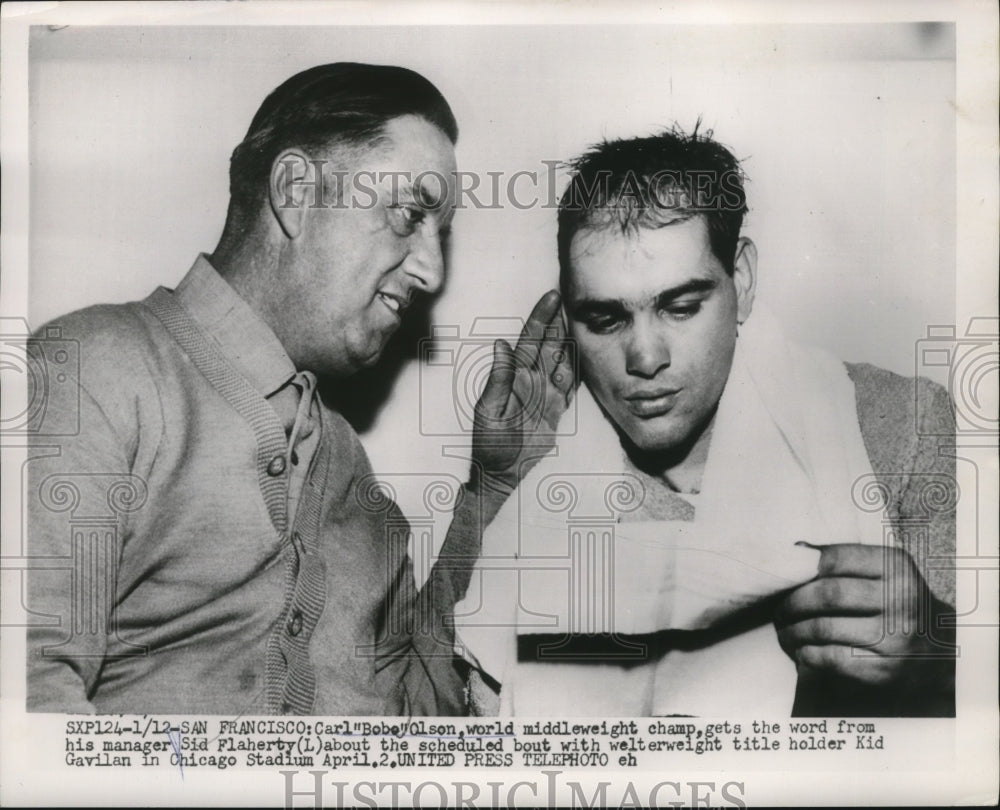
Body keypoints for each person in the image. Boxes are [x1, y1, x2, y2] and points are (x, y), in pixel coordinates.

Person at [26, 62, 573, 715]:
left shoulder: (348, 467)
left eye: (442, 234)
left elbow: (424, 715)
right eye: (409, 214)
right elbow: (27, 695)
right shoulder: (95, 370)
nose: (432, 269)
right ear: (294, 192)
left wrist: (491, 490)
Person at [456, 125, 957, 717]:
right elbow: (425, 724)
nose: (645, 359)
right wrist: (488, 491)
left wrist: (938, 654)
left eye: (681, 307)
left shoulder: (896, 425)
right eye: (605, 319)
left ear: (740, 281)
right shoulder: (535, 471)